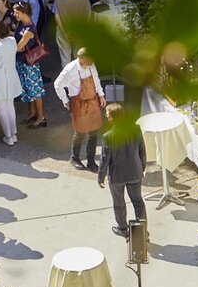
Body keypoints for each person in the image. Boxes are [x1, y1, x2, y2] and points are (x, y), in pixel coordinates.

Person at [97, 103, 147, 237]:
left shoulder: (108, 136)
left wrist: (100, 177)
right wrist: (142, 167)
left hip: (117, 176)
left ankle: (123, 229)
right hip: (135, 173)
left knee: (119, 203)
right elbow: (142, 150)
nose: (106, 116)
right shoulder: (136, 129)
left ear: (112, 118)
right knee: (138, 201)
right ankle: (142, 231)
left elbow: (104, 159)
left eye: (107, 115)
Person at [54, 47, 105, 170]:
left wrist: (101, 95)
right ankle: (74, 158)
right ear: (82, 58)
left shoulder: (91, 65)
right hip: (78, 103)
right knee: (80, 132)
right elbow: (57, 84)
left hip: (92, 101)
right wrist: (65, 100)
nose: (92, 62)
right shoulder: (70, 69)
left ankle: (91, 161)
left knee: (93, 132)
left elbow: (96, 79)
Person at [12, 1, 47, 128]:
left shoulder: (29, 30)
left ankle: (41, 118)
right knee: (28, 90)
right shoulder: (21, 24)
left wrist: (18, 46)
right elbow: (17, 43)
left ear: (24, 13)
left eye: (17, 12)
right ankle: (32, 114)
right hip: (22, 62)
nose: (14, 14)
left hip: (30, 64)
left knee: (35, 92)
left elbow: (18, 47)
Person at [52, 0, 91, 68]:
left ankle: (67, 77)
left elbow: (57, 16)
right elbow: (88, 15)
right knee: (79, 56)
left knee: (65, 58)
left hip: (63, 30)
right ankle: (79, 76)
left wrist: (64, 32)